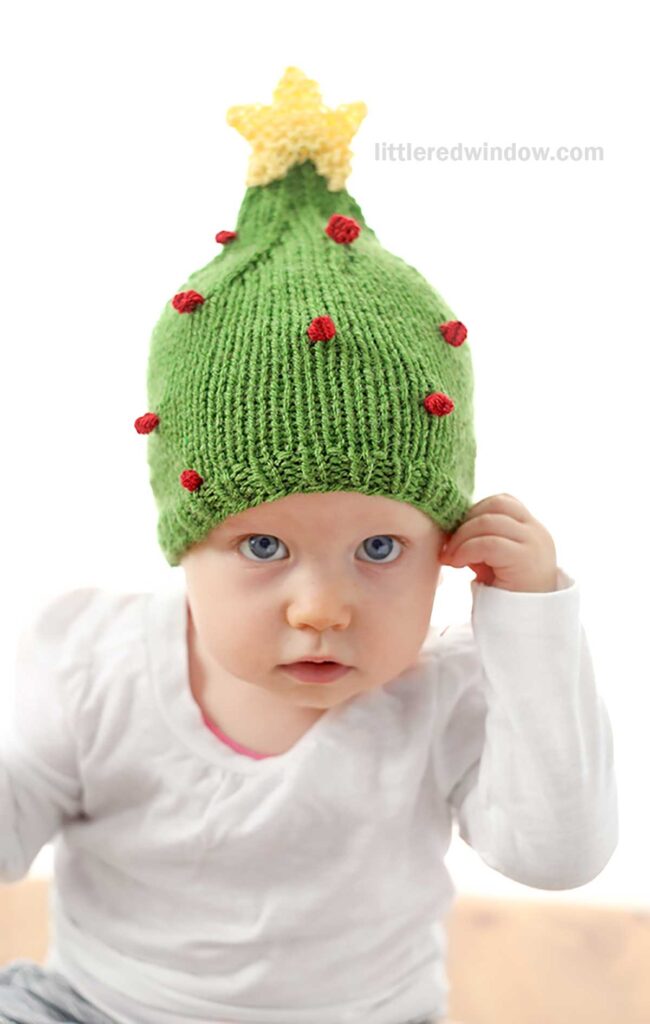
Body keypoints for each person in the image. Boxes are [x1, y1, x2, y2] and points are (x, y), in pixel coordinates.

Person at [0, 66, 618, 1024]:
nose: (321, 606)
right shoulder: (95, 662)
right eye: (260, 548)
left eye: (379, 548)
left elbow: (557, 854)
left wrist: (530, 622)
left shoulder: (440, 697)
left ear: (451, 548)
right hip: (97, 1007)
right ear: (183, 541)